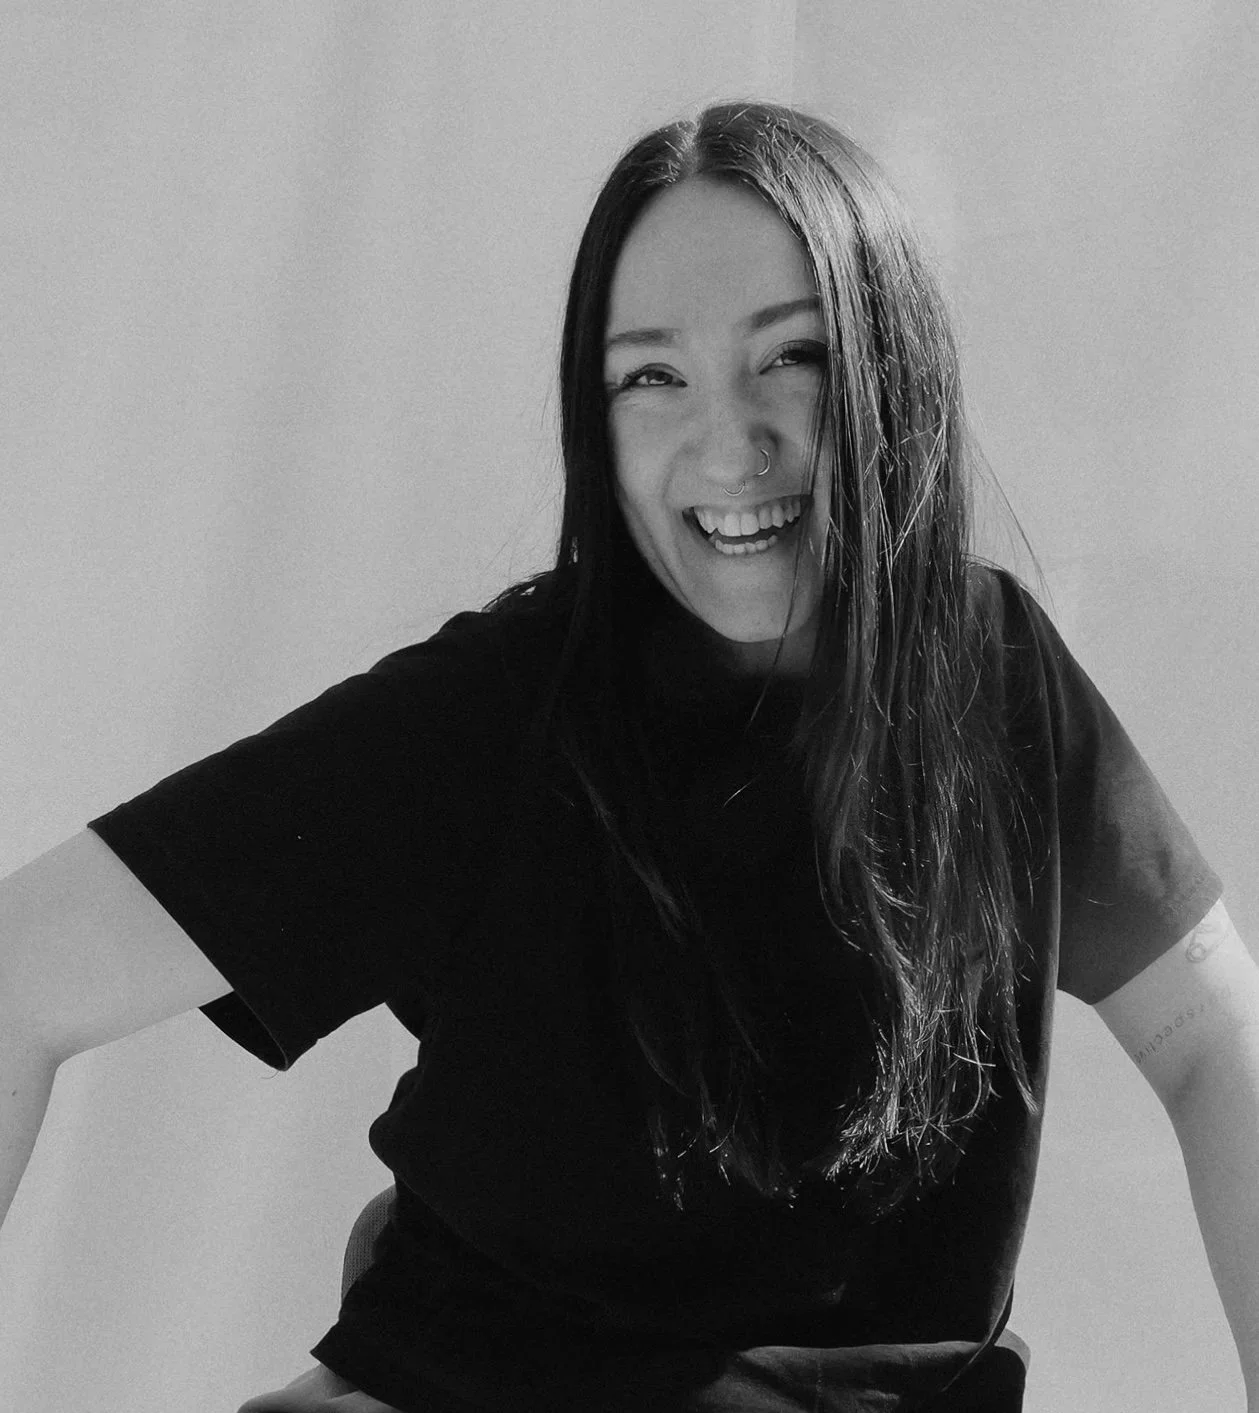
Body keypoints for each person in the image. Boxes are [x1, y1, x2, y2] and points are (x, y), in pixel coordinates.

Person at [1, 100, 1256, 1413]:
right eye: (651, 374)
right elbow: (21, 974)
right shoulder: (489, 716)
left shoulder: (991, 677)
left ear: (895, 371)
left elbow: (1206, 1030)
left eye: (794, 357)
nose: (729, 443)